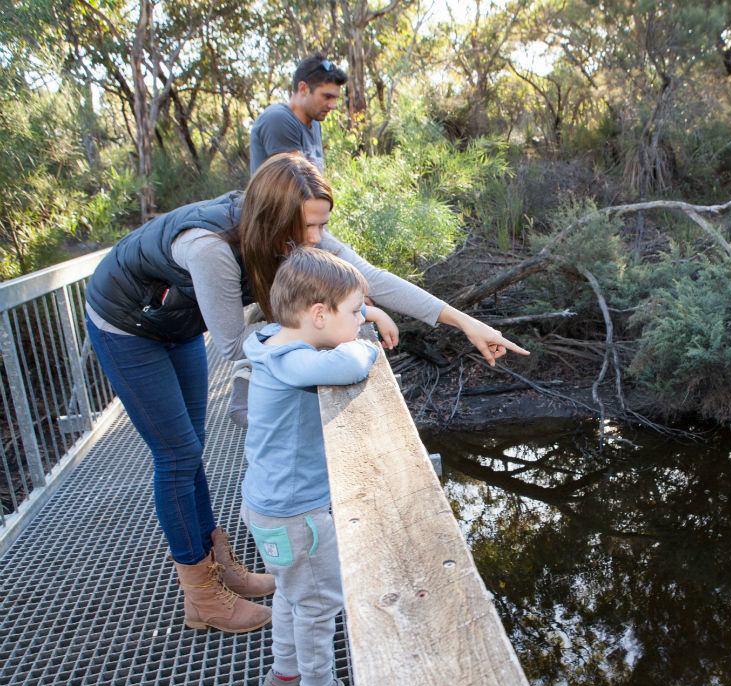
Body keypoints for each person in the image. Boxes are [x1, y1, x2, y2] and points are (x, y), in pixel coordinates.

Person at [85, 153, 526, 634]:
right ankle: (202, 594)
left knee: (191, 447)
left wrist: (462, 321)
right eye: (308, 229)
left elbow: (366, 278)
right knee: (177, 453)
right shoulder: (210, 247)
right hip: (128, 324)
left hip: (179, 320)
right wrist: (346, 322)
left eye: (321, 226)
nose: (316, 239)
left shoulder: (296, 224)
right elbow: (236, 344)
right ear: (275, 220)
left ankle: (220, 565)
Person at [240, 247, 380, 686]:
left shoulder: (269, 343)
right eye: (356, 311)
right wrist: (369, 346)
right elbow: (351, 364)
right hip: (298, 513)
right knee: (319, 603)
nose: (362, 320)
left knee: (290, 590)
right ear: (319, 315)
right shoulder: (295, 362)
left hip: (266, 506)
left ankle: (285, 677)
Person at [250, 55, 347, 176]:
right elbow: (297, 186)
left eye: (334, 98)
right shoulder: (278, 119)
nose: (332, 105)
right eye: (327, 97)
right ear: (303, 88)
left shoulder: (315, 124)